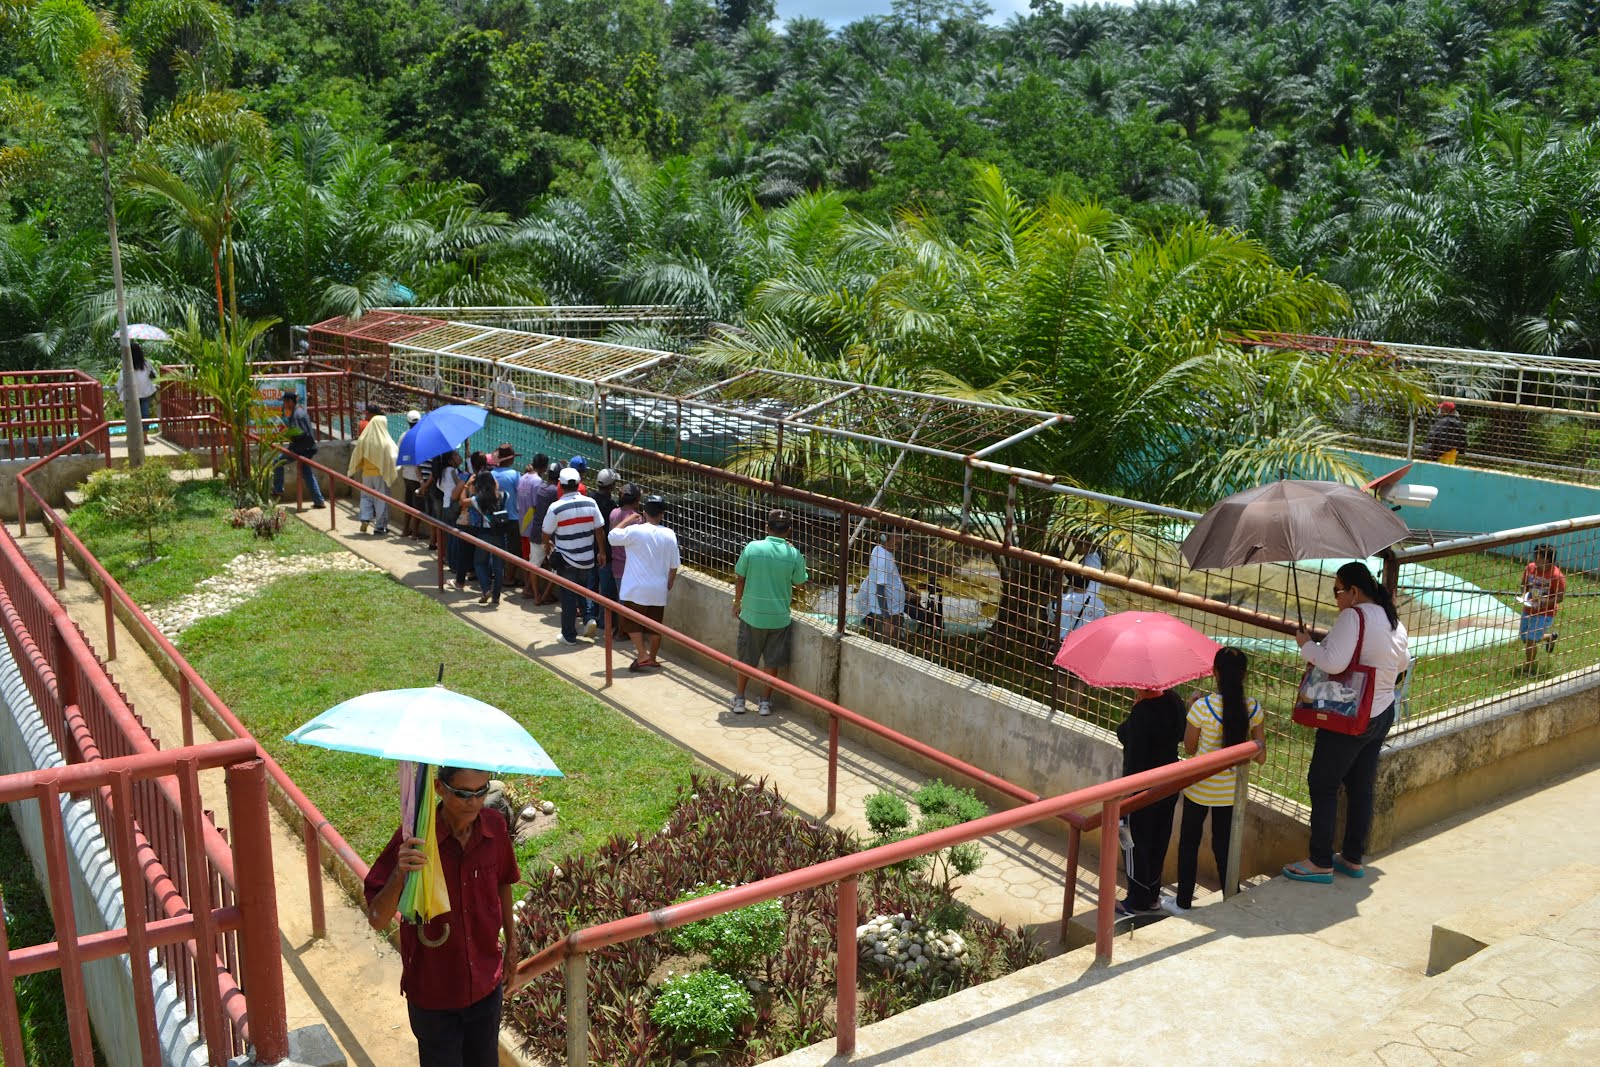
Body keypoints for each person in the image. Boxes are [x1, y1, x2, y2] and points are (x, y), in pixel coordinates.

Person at [364, 766, 520, 1067]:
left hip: (485, 987)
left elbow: (504, 881)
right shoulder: (415, 838)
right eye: (463, 794)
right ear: (439, 788)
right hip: (434, 993)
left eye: (481, 791)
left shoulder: (495, 828)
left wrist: (511, 944)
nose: (473, 802)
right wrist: (401, 872)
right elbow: (377, 918)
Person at [1287, 561, 1409, 883]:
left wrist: (1306, 645)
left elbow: (1333, 661)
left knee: (1322, 783)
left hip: (1350, 715)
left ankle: (1320, 861)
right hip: (1382, 712)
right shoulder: (1391, 616)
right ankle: (1352, 857)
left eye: (1338, 591)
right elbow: (1402, 664)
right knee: (1360, 785)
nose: (1336, 599)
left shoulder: (1354, 616)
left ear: (1354, 591)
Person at [1168, 648, 1267, 915]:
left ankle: (1183, 903)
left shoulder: (1202, 707)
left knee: (1189, 842)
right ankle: (1231, 899)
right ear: (1245, 675)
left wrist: (1191, 710)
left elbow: (1189, 749)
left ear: (1215, 672)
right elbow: (1261, 756)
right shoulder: (1253, 708)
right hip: (1230, 792)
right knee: (1224, 845)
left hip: (1198, 787)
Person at [1115, 687, 1188, 915]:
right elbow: (1179, 733)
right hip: (1167, 784)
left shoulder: (1142, 712)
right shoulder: (1174, 699)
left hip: (1142, 788)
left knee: (1132, 840)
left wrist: (1127, 793)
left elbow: (1135, 753)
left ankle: (1136, 901)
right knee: (1158, 838)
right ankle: (1152, 896)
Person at [731, 509, 809, 718]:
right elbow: (800, 584)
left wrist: (737, 603)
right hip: (778, 617)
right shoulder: (794, 554)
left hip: (751, 615)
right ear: (789, 531)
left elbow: (740, 578)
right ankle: (765, 702)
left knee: (746, 658)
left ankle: (739, 698)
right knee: (772, 662)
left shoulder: (753, 548)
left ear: (767, 527)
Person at [608, 494, 680, 670]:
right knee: (654, 626)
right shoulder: (669, 534)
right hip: (658, 588)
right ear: (662, 514)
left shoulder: (635, 531)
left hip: (636, 589)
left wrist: (630, 519)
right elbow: (674, 565)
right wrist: (669, 583)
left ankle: (642, 655)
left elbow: (612, 536)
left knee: (630, 623)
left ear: (645, 512)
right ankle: (652, 658)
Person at [541, 467, 607, 644]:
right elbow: (599, 531)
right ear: (578, 484)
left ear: (560, 486)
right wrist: (601, 552)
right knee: (584, 591)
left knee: (568, 597)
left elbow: (545, 532)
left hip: (567, 559)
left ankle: (569, 635)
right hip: (587, 557)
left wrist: (547, 548)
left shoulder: (556, 508)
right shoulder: (591, 503)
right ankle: (588, 618)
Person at [349, 404, 398, 535]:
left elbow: (357, 453)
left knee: (366, 496)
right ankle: (380, 526)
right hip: (380, 474)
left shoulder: (364, 438)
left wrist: (355, 467)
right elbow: (393, 456)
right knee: (381, 498)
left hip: (366, 473)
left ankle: (365, 517)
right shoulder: (385, 441)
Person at [469, 470, 516, 607]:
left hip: (484, 534)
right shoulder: (504, 495)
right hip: (500, 534)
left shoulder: (476, 499)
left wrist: (470, 485)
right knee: (498, 566)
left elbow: (467, 498)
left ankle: (485, 589)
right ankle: (496, 596)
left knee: (479, 562)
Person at [272, 391, 325, 509]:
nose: (284, 405)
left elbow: (301, 433)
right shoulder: (299, 412)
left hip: (301, 449)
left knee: (277, 462)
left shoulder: (296, 414)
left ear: (290, 402)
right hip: (308, 448)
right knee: (307, 473)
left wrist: (290, 437)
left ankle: (278, 489)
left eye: (285, 402)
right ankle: (319, 500)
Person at [1519, 543, 1566, 674]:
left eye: (1536, 555)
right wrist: (1524, 595)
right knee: (1525, 637)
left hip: (1545, 613)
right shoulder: (1530, 568)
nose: (1534, 557)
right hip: (1528, 609)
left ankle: (1528, 668)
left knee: (1530, 639)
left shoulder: (1556, 576)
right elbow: (1524, 585)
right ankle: (1550, 637)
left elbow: (1560, 597)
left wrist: (1544, 603)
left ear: (1546, 558)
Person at [855, 531, 907, 639]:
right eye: (897, 536)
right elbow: (880, 590)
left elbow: (893, 581)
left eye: (902, 537)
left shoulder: (881, 551)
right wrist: (887, 620)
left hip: (891, 612)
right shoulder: (882, 559)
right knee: (889, 651)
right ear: (885, 536)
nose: (900, 540)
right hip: (888, 616)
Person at [521, 465, 561, 603]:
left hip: (536, 531)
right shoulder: (556, 491)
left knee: (534, 565)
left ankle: (535, 594)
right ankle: (545, 595)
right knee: (556, 568)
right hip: (549, 535)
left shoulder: (541, 488)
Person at [591, 469, 622, 636]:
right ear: (611, 486)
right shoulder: (610, 506)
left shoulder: (590, 498)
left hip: (590, 548)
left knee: (592, 584)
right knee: (606, 590)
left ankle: (591, 616)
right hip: (604, 552)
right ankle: (603, 621)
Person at [606, 482, 642, 623]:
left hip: (617, 563)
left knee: (621, 597)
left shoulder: (614, 513)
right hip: (630, 565)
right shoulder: (636, 518)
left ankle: (619, 629)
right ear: (636, 500)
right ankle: (621, 631)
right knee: (627, 601)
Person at [114, 341, 158, 442]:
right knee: (145, 415)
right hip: (146, 392)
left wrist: (118, 391)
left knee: (131, 416)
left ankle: (132, 437)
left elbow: (121, 381)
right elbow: (154, 375)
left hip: (131, 394)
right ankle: (145, 437)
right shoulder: (146, 364)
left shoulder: (126, 366)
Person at [516, 454, 549, 575]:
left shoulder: (523, 477)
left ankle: (526, 583)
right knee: (534, 560)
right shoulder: (538, 481)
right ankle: (529, 586)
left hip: (522, 523)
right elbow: (537, 505)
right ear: (544, 467)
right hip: (533, 526)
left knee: (526, 556)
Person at [1057, 573, 1108, 642]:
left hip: (1061, 644)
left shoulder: (1060, 599)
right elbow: (1104, 625)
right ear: (1088, 584)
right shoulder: (1099, 604)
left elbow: (1051, 618)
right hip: (1083, 644)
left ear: (1071, 582)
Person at [399, 410, 425, 538]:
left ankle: (405, 529)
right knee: (417, 506)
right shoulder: (422, 436)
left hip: (406, 474)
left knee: (408, 502)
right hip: (418, 476)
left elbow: (400, 453)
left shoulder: (404, 435)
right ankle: (415, 533)